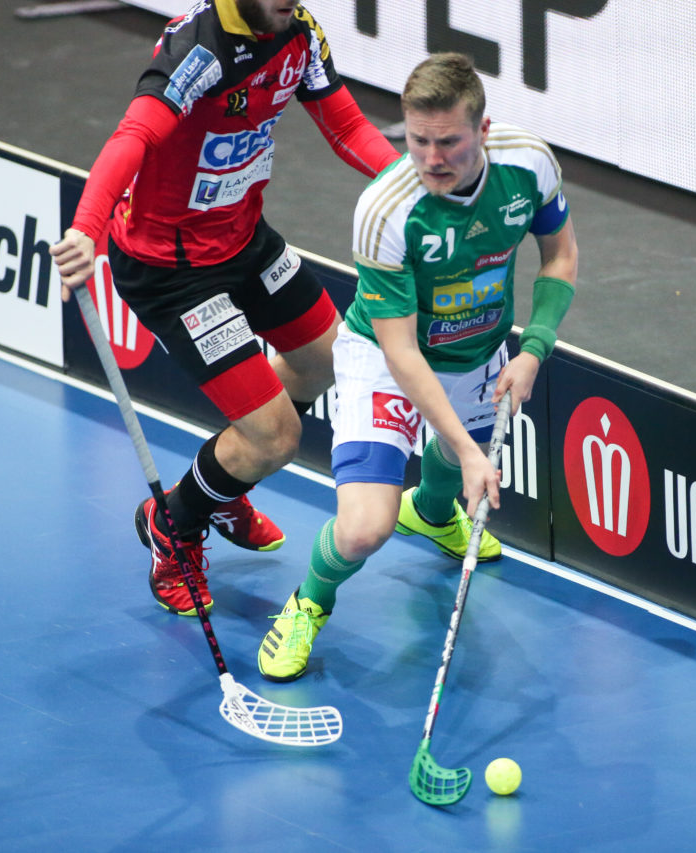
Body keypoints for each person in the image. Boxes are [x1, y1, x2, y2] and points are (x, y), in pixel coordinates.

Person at [50, 1, 399, 617]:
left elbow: (346, 129)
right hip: (172, 271)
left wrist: (413, 188)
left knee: (326, 360)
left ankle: (224, 485)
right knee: (275, 437)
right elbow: (133, 135)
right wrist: (86, 226)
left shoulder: (299, 30)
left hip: (242, 239)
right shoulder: (199, 50)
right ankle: (175, 527)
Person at [257, 52, 579, 681]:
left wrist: (534, 348)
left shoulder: (530, 166)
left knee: (452, 467)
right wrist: (466, 449)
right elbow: (401, 354)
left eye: (450, 142)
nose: (432, 158)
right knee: (362, 531)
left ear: (482, 131)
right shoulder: (387, 210)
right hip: (385, 361)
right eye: (418, 141)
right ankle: (306, 604)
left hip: (482, 350)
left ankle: (431, 516)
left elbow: (561, 257)